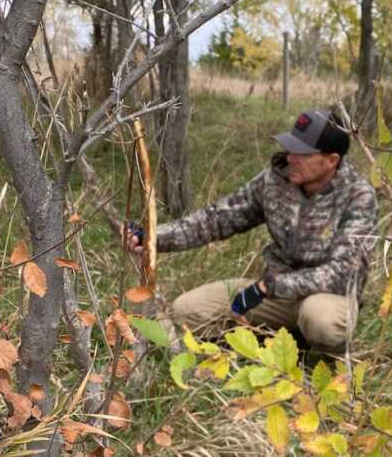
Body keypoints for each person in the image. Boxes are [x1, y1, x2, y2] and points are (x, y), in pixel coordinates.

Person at [125, 109, 377, 353]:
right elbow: (217, 219)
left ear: (332, 160)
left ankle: (321, 360)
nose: (291, 158)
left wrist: (269, 287)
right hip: (272, 297)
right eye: (290, 149)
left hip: (326, 297)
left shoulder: (358, 195)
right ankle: (270, 342)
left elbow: (343, 273)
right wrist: (153, 237)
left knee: (320, 320)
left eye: (302, 153)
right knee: (186, 311)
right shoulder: (275, 180)